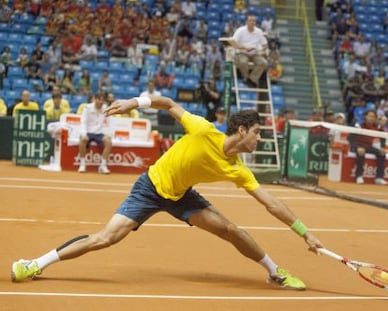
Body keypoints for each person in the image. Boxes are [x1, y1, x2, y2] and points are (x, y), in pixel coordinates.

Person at [11, 95, 323, 290]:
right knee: (105, 239)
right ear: (242, 130)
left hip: (183, 196)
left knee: (230, 229)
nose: (259, 139)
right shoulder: (202, 129)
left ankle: (273, 272)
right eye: (257, 133)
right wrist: (134, 103)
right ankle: (35, 263)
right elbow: (169, 104)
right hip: (149, 188)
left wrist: (304, 232)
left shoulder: (238, 169)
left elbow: (271, 203)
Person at [77, 93, 112, 174]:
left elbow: (110, 122)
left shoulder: (106, 108)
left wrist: (108, 134)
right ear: (95, 99)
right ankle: (82, 164)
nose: (100, 102)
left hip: (99, 133)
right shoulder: (87, 108)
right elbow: (83, 122)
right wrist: (84, 133)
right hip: (88, 132)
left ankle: (102, 166)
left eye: (102, 100)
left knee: (108, 142)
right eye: (99, 99)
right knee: (82, 139)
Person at [352, 109, 388, 185]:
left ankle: (379, 178)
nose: (371, 118)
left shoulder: (377, 127)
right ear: (365, 116)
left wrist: (382, 147)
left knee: (382, 153)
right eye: (370, 116)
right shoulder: (359, 125)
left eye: (373, 117)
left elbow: (383, 137)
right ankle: (359, 176)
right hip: (358, 145)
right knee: (361, 152)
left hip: (368, 146)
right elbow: (351, 138)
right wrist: (357, 147)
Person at [232, 15, 268, 88]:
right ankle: (246, 77)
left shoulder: (259, 32)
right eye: (250, 21)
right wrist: (244, 47)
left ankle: (251, 79)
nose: (252, 22)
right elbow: (233, 43)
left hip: (255, 53)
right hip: (242, 52)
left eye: (253, 21)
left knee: (264, 63)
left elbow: (265, 44)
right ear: (247, 22)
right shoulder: (240, 30)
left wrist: (261, 50)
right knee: (243, 62)